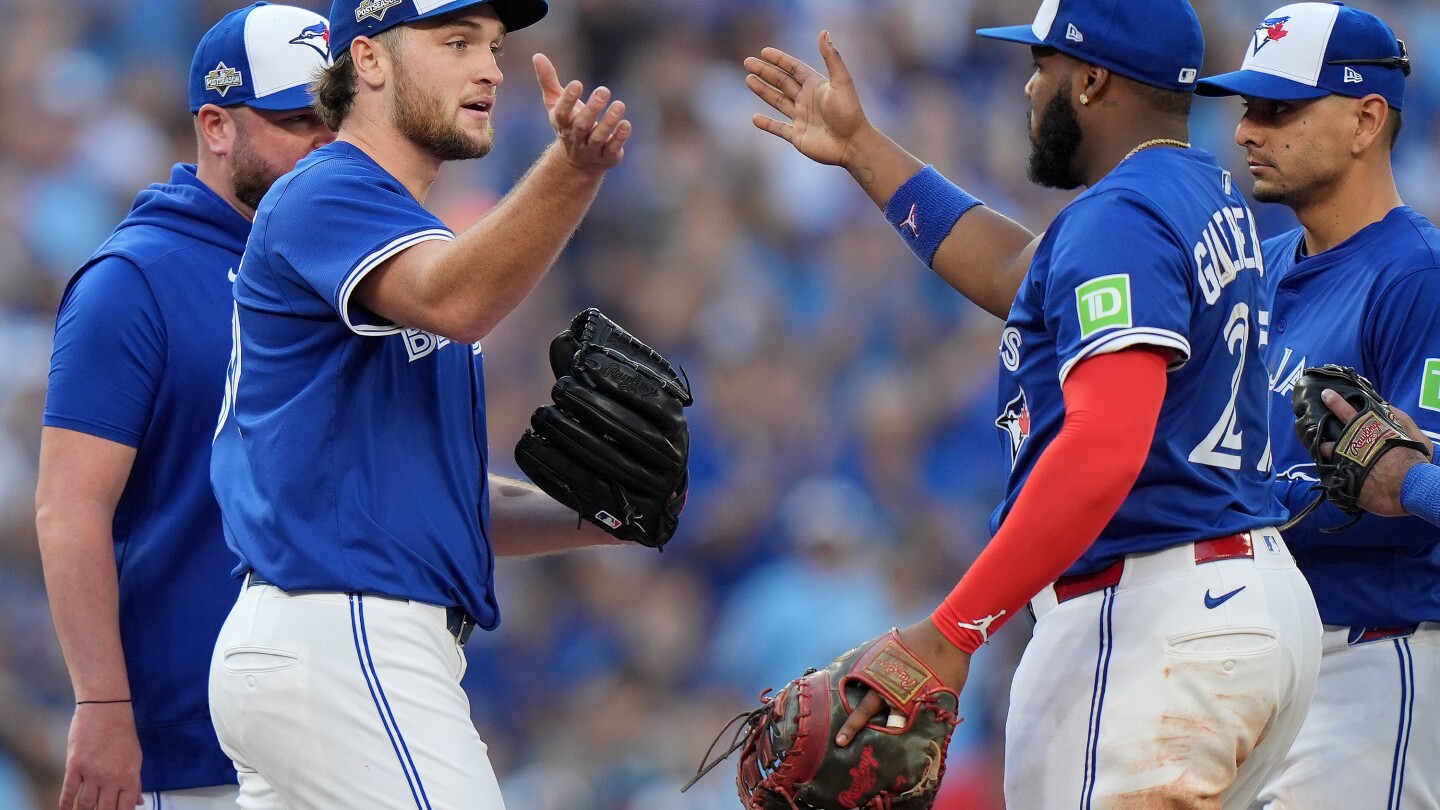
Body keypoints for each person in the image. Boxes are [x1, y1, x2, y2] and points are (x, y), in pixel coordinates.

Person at [743, 0, 1322, 805]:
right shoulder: (1195, 191)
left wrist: (951, 631)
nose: (1027, 87)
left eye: (1042, 65)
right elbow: (1016, 271)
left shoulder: (1121, 216)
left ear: (1091, 81)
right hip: (1237, 603)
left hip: (1151, 611)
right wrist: (861, 148)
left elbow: (1103, 446)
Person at [205, 0, 639, 806]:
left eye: (494, 46)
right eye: (457, 41)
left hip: (325, 642)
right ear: (368, 59)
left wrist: (601, 514)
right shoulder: (329, 189)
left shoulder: (390, 227)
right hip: (348, 632)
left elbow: (441, 500)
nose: (491, 69)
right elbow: (456, 300)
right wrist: (572, 170)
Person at [35, 4, 334, 809]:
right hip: (191, 747)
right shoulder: (136, 279)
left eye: (335, 118)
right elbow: (70, 506)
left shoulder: (346, 277)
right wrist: (102, 704)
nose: (323, 141)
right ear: (216, 126)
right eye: (296, 120)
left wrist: (597, 514)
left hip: (338, 726)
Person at [1195, 3, 1440, 806]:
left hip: (1369, 656)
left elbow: (1416, 483)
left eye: (1279, 109)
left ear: (1366, 120)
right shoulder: (1256, 267)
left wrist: (1407, 482)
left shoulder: (1417, 277)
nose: (1246, 131)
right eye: (1248, 108)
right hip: (1258, 660)